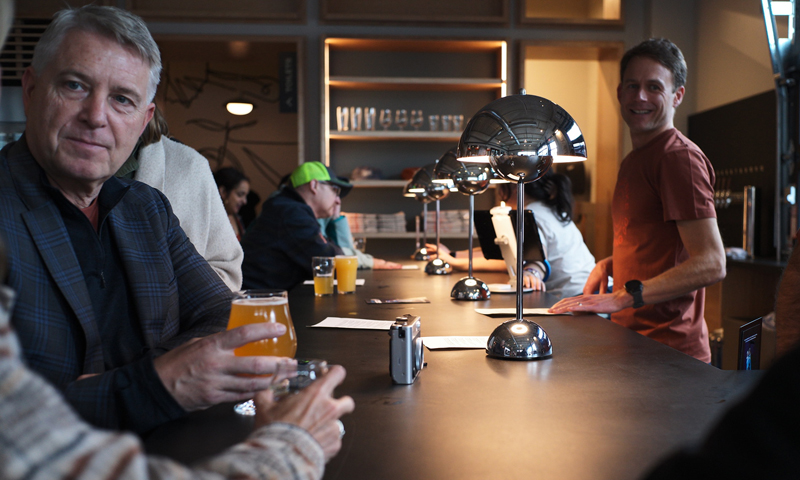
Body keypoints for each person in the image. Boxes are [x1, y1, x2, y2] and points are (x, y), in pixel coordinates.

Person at [0, 5, 354, 436]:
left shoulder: (146, 208)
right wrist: (152, 385)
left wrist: (141, 380)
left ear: (143, 121)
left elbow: (224, 313)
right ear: (31, 90)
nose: (96, 115)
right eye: (75, 85)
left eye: (122, 99)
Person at [550, 38, 726, 363]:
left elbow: (712, 263)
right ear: (620, 93)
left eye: (654, 87)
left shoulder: (678, 158)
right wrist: (611, 264)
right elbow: (660, 246)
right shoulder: (634, 160)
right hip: (634, 343)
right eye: (632, 85)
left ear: (677, 96)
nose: (640, 96)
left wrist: (624, 296)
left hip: (671, 353)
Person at [116, 106, 243, 291]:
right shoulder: (73, 167)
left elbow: (227, 272)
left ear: (149, 108)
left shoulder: (190, 166)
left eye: (121, 98)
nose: (97, 115)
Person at [241, 161, 353, 290]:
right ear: (314, 185)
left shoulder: (287, 208)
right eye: (335, 190)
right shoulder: (292, 213)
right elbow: (333, 265)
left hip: (262, 295)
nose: (338, 200)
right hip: (258, 298)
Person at [214, 166, 250, 241]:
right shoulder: (211, 220)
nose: (244, 201)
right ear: (223, 192)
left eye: (245, 196)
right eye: (240, 194)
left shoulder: (237, 220)